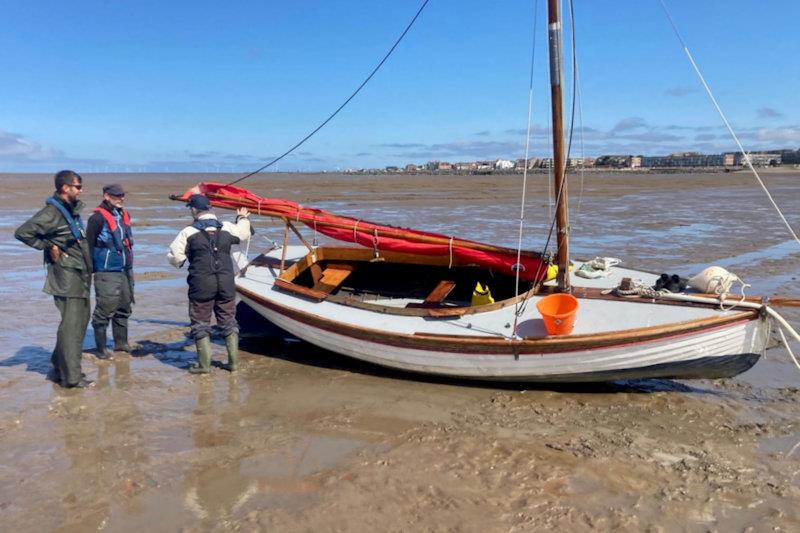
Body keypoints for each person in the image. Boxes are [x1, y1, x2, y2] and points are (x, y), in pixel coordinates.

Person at [14, 170, 93, 388]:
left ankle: (59, 369)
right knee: (72, 326)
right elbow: (23, 232)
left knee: (77, 323)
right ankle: (72, 378)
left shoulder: (70, 210)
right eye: (78, 186)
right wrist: (49, 246)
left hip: (79, 274)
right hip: (67, 276)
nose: (81, 190)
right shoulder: (52, 213)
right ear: (65, 188)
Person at [168, 194, 251, 373]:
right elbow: (244, 233)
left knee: (200, 322)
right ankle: (233, 364)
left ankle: (204, 366)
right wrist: (242, 218)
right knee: (228, 320)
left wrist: (181, 261)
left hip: (201, 284)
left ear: (194, 210)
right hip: (226, 281)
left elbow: (175, 258)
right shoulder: (227, 227)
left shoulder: (188, 232)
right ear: (210, 209)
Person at [86, 183, 135, 359]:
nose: (121, 198)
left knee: (124, 306)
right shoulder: (97, 219)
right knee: (105, 308)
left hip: (125, 269)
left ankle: (121, 344)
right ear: (106, 196)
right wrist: (89, 269)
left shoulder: (124, 215)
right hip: (106, 270)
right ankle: (101, 349)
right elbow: (88, 245)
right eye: (116, 195)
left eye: (122, 195)